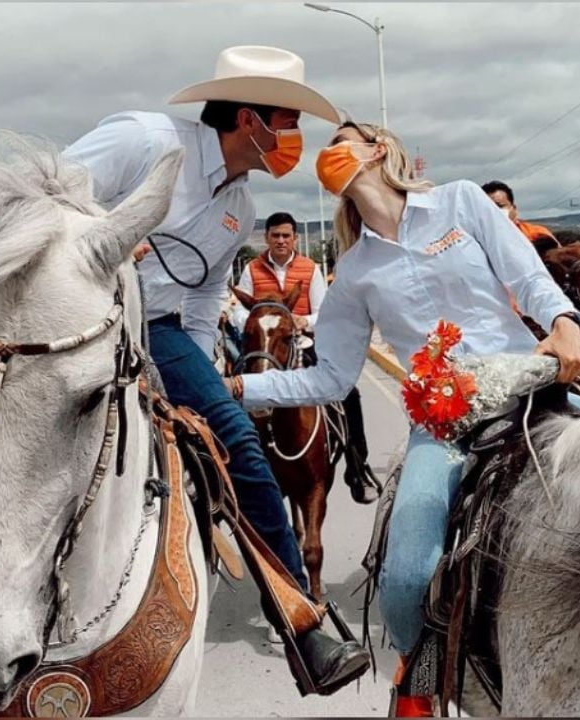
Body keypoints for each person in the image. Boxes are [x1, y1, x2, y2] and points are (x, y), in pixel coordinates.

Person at [226, 121, 580, 715]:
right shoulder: (354, 275)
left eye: (343, 137)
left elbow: (527, 276)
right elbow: (329, 379)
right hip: (444, 428)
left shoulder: (461, 201)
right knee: (404, 580)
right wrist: (237, 386)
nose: (330, 150)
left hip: (530, 389)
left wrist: (564, 324)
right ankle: (417, 682)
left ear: (379, 149)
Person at [61, 45, 368, 696]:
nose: (293, 141)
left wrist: (205, 385)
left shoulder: (244, 210)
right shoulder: (143, 140)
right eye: (288, 123)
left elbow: (201, 303)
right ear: (250, 120)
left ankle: (299, 620)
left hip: (162, 334)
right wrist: (102, 234)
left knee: (242, 452)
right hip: (73, 313)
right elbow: (49, 200)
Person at [234, 211, 380, 504]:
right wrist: (255, 323)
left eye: (286, 236)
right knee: (228, 393)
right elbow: (238, 309)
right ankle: (225, 470)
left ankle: (357, 467)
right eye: (275, 235)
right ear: (267, 238)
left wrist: (303, 322)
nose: (280, 241)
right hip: (263, 347)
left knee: (348, 394)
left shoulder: (310, 268)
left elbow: (324, 309)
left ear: (295, 239)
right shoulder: (251, 269)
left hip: (302, 346)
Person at [482, 180, 558, 245]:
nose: (495, 211)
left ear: (514, 208)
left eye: (500, 206)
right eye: (489, 208)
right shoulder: (478, 240)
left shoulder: (537, 234)